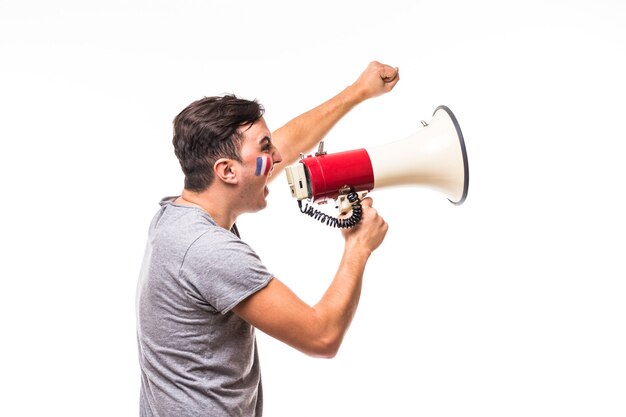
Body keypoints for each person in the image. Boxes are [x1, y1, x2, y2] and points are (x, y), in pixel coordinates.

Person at [136, 61, 400, 417]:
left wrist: (358, 91)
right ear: (227, 171)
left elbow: (286, 145)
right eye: (265, 149)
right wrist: (358, 246)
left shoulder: (177, 217)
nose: (276, 159)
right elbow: (321, 337)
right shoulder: (209, 251)